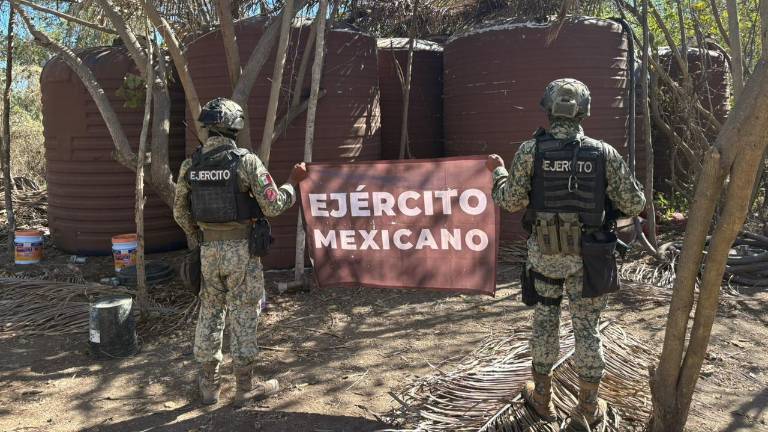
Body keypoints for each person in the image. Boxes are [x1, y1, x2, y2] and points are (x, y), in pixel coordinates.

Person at [486, 79, 645, 429]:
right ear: (584, 110)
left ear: (547, 107)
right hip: (591, 261)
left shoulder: (531, 150)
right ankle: (587, 410)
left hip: (545, 257)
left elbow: (510, 201)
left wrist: (497, 173)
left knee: (545, 322)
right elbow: (635, 203)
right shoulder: (603, 152)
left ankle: (542, 398)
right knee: (588, 329)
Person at [173, 97, 307, 407]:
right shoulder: (245, 161)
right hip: (242, 254)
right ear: (235, 126)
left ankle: (209, 388)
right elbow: (273, 204)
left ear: (208, 127)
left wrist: (201, 238)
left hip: (208, 252)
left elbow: (180, 213)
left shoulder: (190, 164)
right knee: (244, 314)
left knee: (209, 314)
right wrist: (292, 182)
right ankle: (245, 388)